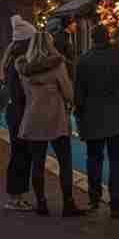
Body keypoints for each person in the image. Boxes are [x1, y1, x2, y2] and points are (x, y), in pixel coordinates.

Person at [74, 24, 119, 219]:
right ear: (108, 38)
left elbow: (78, 95)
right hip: (118, 118)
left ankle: (94, 198)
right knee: (117, 161)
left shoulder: (84, 61)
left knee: (94, 159)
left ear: (92, 39)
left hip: (93, 118)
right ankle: (115, 204)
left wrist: (79, 116)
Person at [15, 31, 83, 217]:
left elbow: (26, 94)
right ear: (49, 45)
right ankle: (68, 204)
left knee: (37, 163)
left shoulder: (23, 68)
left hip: (33, 119)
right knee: (65, 162)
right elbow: (68, 93)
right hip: (56, 120)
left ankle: (41, 204)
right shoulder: (57, 64)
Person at [2, 15, 36, 211]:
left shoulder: (10, 60)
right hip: (20, 113)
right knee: (21, 154)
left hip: (15, 113)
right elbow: (21, 92)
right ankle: (15, 196)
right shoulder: (19, 64)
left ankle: (17, 195)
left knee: (20, 153)